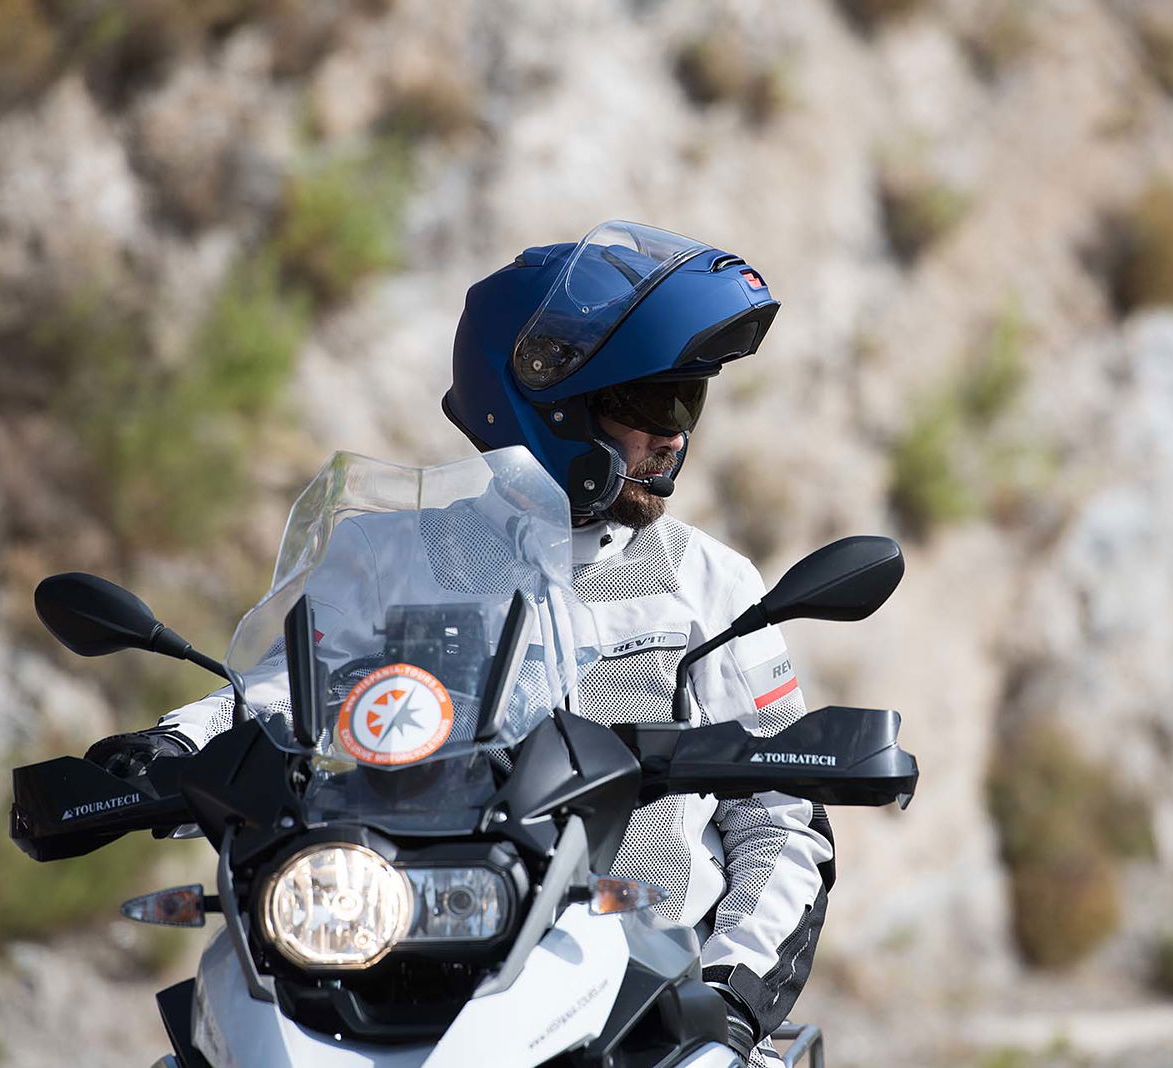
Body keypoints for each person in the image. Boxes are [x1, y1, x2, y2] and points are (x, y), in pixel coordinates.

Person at [85, 220, 832, 1066]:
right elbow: (278, 696)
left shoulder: (710, 583)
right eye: (656, 404)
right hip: (402, 951)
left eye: (689, 403)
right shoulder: (390, 558)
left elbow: (780, 819)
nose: (676, 435)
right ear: (551, 408)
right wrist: (172, 743)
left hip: (645, 1001)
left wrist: (730, 992)